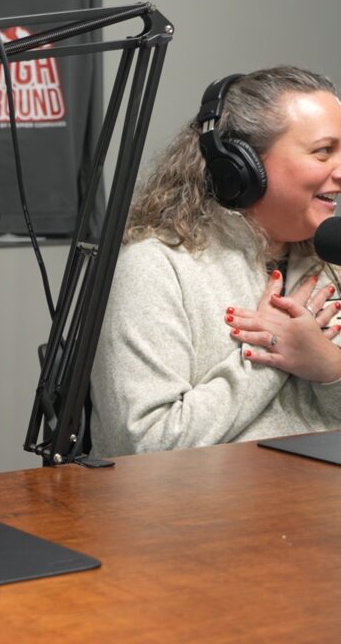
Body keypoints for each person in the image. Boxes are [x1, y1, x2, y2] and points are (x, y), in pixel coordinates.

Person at [90, 66, 341, 457]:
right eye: (324, 151)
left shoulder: (330, 265)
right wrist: (270, 356)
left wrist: (330, 369)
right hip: (202, 499)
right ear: (240, 166)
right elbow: (144, 444)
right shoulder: (155, 268)